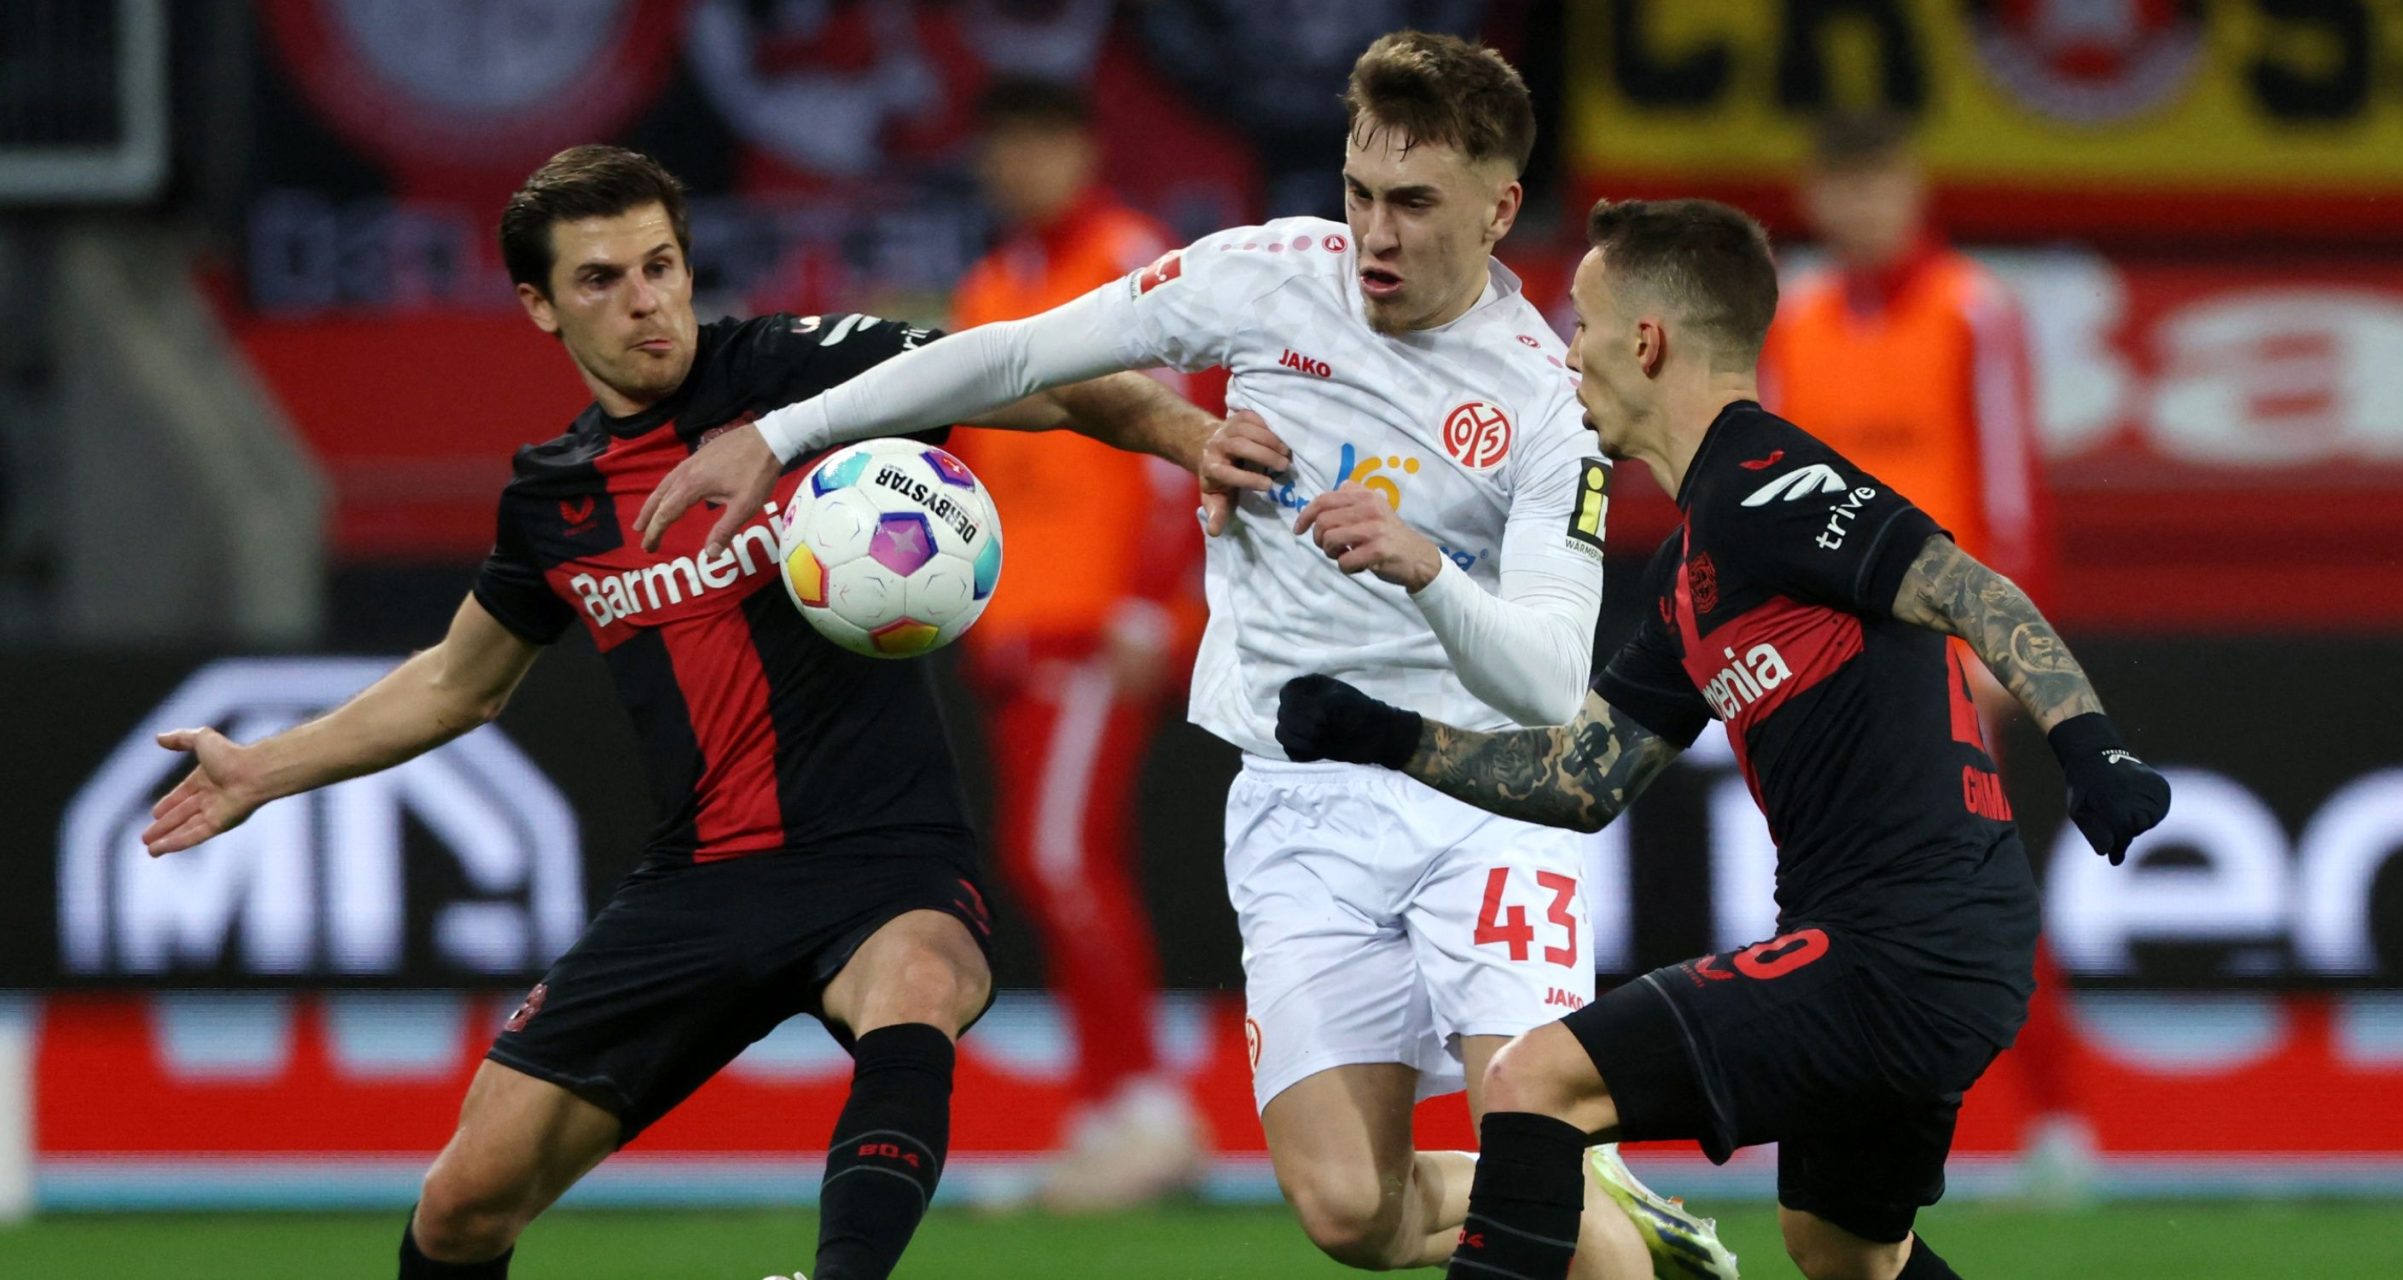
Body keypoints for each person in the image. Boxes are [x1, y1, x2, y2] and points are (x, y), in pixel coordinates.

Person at [640, 32, 1727, 1280]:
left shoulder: (1546, 399)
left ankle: (1570, 1190)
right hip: (1296, 800)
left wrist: (1424, 565)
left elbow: (1543, 677)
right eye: (1359, 191)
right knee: (1351, 1212)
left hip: (1479, 802)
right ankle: (1599, 1196)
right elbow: (1014, 352)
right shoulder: (1266, 274)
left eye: (1415, 204)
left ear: (1498, 207)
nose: (1374, 233)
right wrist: (782, 432)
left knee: (1527, 1145)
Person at [138, 145, 1214, 1280]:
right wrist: (263, 770)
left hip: (884, 853)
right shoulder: (554, 495)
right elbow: (460, 681)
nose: (644, 300)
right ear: (541, 305)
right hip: (698, 882)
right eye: (601, 279)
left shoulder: (810, 374)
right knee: (461, 1205)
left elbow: (1047, 376)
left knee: (919, 986)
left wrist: (1198, 441)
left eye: (660, 266)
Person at [1272, 198, 2171, 1280]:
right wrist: (1387, 734)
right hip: (1931, 950)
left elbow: (1972, 589)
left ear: (1646, 343)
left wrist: (2092, 746)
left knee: (1533, 1081)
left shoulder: (1770, 482)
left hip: (1899, 944)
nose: (1570, 353)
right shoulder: (1695, 563)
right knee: (1841, 1248)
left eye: (1586, 325)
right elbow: (1581, 778)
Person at [1765, 112, 2096, 1198]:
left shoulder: (1971, 310)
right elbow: (1771, 490)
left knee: (1978, 877)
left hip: (1943, 649)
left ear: (1912, 189)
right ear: (1815, 197)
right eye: (1843, 187)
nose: (1861, 209)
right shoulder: (1797, 319)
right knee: (1819, 886)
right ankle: (1813, 1106)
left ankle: (2056, 1116)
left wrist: (2005, 643)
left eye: (1878, 185)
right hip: (1825, 652)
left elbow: (2008, 488)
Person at [945, 76, 1213, 1210]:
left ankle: (1146, 1110)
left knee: (1058, 857)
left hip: (1103, 624)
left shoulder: (1129, 258)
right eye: (1002, 144)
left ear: (1085, 147)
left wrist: (1156, 603)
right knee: (1053, 860)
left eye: (1040, 141)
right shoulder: (992, 284)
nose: (1020, 164)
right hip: (1017, 627)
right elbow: (968, 470)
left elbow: (1180, 437)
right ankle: (1107, 1116)